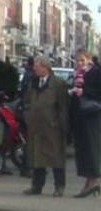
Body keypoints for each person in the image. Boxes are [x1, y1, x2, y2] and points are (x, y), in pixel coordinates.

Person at [22, 57, 68, 197]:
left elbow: (63, 107)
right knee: (37, 157)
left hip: (52, 127)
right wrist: (28, 116)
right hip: (36, 127)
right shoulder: (34, 83)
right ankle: (37, 186)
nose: (34, 68)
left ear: (45, 67)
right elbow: (27, 102)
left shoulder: (58, 84)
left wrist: (61, 125)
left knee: (56, 158)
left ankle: (59, 186)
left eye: (37, 66)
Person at [71, 51, 101, 198]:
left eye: (83, 60)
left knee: (92, 149)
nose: (80, 63)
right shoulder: (78, 75)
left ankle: (93, 181)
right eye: (78, 60)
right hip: (82, 116)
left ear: (89, 60)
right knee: (85, 150)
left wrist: (83, 91)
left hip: (92, 116)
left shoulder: (94, 73)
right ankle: (90, 182)